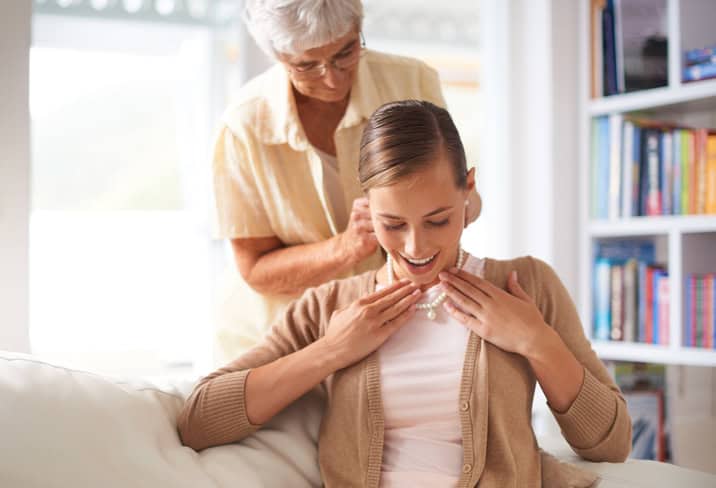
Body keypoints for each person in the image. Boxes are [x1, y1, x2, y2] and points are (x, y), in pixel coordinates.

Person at [179, 100, 631, 487]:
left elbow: (611, 442)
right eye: (392, 224)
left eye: (438, 220)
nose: (415, 248)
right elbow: (199, 419)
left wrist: (536, 340)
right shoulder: (330, 307)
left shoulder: (526, 285)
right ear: (367, 206)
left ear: (468, 189)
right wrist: (330, 351)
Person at [212, 0, 480, 362]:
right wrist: (347, 247)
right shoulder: (244, 126)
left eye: (346, 51)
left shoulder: (412, 81)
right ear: (277, 56)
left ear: (359, 27)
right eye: (306, 65)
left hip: (392, 332)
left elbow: (462, 198)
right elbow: (256, 270)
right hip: (280, 341)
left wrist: (450, 207)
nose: (333, 78)